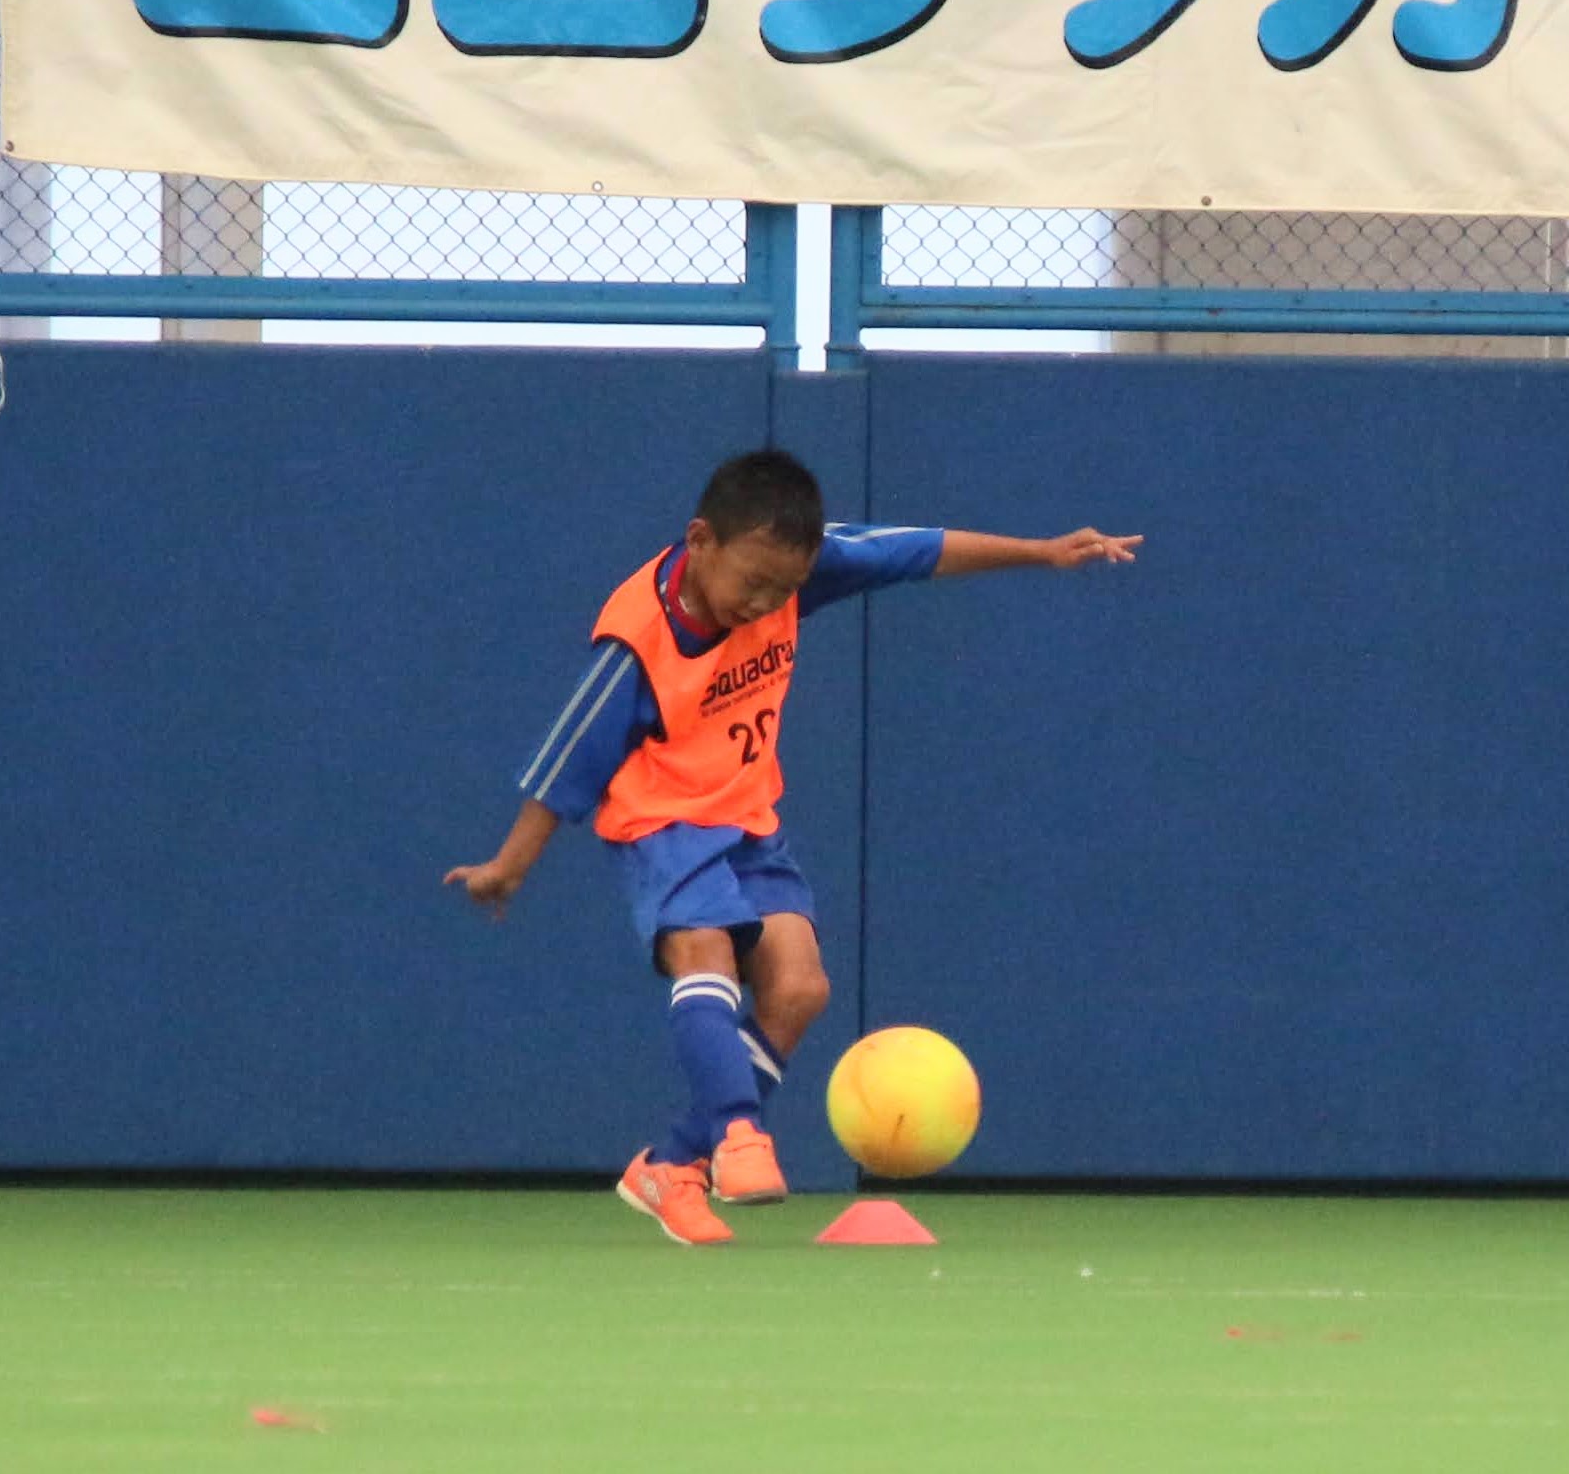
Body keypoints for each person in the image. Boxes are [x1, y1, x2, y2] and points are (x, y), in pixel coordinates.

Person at [445, 448, 1138, 1243]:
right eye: (753, 584)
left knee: (800, 989)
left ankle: (671, 1164)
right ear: (700, 541)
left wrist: (1041, 552)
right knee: (704, 952)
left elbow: (916, 551)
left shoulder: (795, 569)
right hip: (662, 822)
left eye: (784, 589)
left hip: (747, 816)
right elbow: (567, 765)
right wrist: (508, 867)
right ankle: (739, 1133)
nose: (765, 603)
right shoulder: (638, 643)